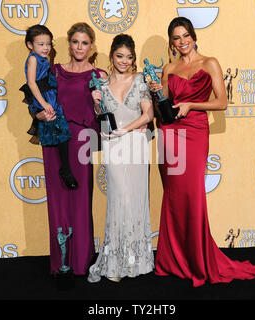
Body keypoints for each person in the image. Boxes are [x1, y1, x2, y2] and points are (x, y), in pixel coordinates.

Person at [149, 17, 255, 287]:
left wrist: (191, 104)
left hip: (195, 133)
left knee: (193, 196)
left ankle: (198, 261)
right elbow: (163, 109)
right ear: (172, 42)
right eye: (176, 38)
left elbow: (222, 102)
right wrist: (156, 94)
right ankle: (173, 261)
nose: (182, 42)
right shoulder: (168, 68)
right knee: (175, 198)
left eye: (185, 35)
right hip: (171, 134)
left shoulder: (210, 62)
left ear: (193, 35)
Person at [35, 22, 106, 275]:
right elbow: (37, 100)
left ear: (91, 46)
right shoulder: (54, 71)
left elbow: (106, 112)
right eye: (75, 42)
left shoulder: (99, 75)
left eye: (84, 42)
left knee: (80, 199)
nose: (79, 47)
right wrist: (41, 115)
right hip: (55, 140)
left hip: (81, 141)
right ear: (69, 44)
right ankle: (60, 263)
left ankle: (81, 262)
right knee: (58, 199)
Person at [87, 34, 154, 283]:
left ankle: (137, 261)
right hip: (113, 144)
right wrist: (96, 105)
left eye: (129, 57)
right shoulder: (101, 86)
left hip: (135, 143)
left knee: (134, 200)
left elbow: (148, 115)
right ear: (111, 56)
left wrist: (127, 129)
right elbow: (102, 116)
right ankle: (115, 262)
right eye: (119, 56)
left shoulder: (140, 81)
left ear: (134, 59)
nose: (124, 61)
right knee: (118, 200)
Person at [20, 24, 78, 189]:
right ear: (30, 45)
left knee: (62, 132)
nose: (46, 48)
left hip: (50, 96)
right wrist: (44, 103)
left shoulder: (44, 59)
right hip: (43, 97)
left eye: (48, 44)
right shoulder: (32, 58)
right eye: (41, 44)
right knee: (59, 130)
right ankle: (65, 170)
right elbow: (31, 83)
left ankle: (65, 168)